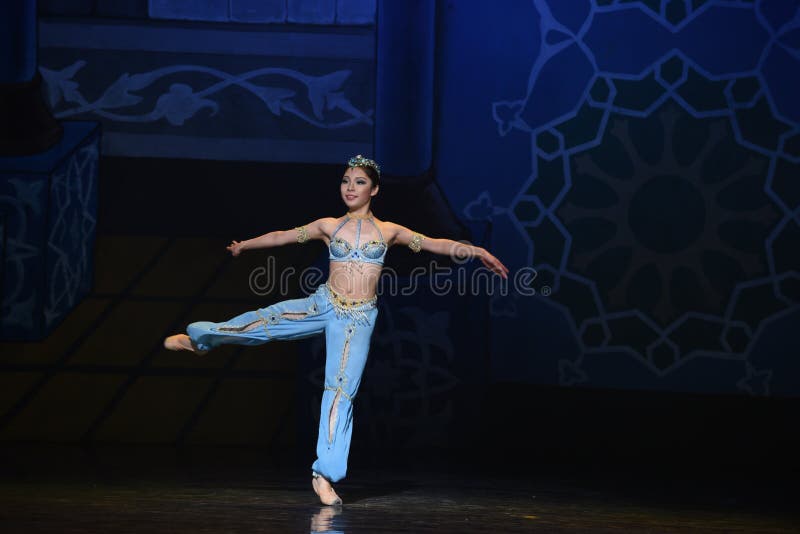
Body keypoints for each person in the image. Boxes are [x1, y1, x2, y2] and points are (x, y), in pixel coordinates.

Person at [164, 155, 509, 506]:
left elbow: (436, 243)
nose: (350, 188)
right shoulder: (328, 226)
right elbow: (283, 236)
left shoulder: (390, 231)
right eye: (345, 181)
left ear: (374, 189)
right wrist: (246, 245)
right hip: (323, 304)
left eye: (359, 182)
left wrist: (475, 250)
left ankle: (324, 474)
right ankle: (201, 339)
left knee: (340, 392)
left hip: (357, 320)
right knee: (265, 321)